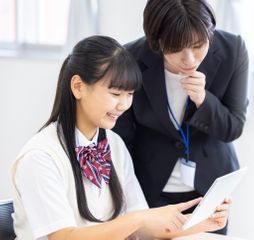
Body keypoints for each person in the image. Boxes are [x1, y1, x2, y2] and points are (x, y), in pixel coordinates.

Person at [9, 35, 230, 240]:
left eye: (130, 94)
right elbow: (63, 237)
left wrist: (202, 222)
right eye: (115, 94)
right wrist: (138, 219)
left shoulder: (113, 145)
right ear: (78, 87)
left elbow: (143, 226)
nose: (124, 105)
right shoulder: (40, 157)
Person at [113, 0, 249, 235]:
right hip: (151, 188)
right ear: (157, 42)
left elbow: (233, 127)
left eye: (198, 46)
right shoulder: (130, 58)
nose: (190, 60)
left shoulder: (232, 50)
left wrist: (204, 100)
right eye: (176, 49)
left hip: (210, 191)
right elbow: (121, 138)